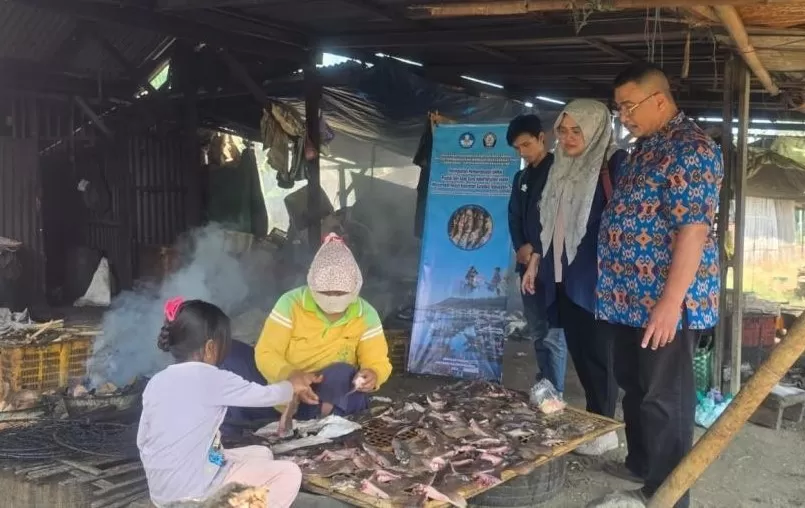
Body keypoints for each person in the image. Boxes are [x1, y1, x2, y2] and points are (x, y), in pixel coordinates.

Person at [597, 63, 723, 507]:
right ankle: (642, 465)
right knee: (634, 385)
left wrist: (670, 303)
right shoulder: (646, 148)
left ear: (660, 100)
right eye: (619, 108)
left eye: (629, 106)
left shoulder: (691, 148)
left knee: (664, 398)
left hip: (663, 302)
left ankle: (668, 493)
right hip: (629, 298)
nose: (624, 116)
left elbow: (693, 230)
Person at [137, 298, 318, 508]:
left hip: (162, 494)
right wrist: (292, 385)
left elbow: (143, 441)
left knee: (263, 453)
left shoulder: (156, 381)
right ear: (210, 348)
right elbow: (266, 396)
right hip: (196, 492)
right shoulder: (211, 377)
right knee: (289, 473)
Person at [521, 99, 625, 455]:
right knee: (581, 353)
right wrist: (537, 260)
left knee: (600, 356)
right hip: (562, 277)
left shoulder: (614, 164)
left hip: (597, 281)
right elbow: (550, 222)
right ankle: (596, 421)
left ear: (596, 130)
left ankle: (605, 428)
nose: (567, 138)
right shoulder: (561, 165)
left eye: (576, 131)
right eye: (562, 131)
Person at [254, 233, 393, 421]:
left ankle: (324, 426)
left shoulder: (366, 314)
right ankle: (300, 420)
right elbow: (266, 353)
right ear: (312, 285)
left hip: (338, 395)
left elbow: (377, 360)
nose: (333, 298)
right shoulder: (290, 304)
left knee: (341, 373)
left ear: (355, 288)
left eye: (340, 293)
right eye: (326, 293)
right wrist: (291, 375)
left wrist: (374, 374)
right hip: (291, 391)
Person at [506, 114, 568, 396]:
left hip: (552, 266)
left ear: (542, 138)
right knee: (537, 330)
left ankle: (556, 393)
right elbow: (514, 215)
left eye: (526, 145)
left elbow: (558, 217)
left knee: (554, 334)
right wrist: (521, 246)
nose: (522, 152)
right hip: (526, 265)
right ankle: (545, 385)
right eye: (517, 148)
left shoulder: (560, 172)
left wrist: (535, 247)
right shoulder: (521, 177)